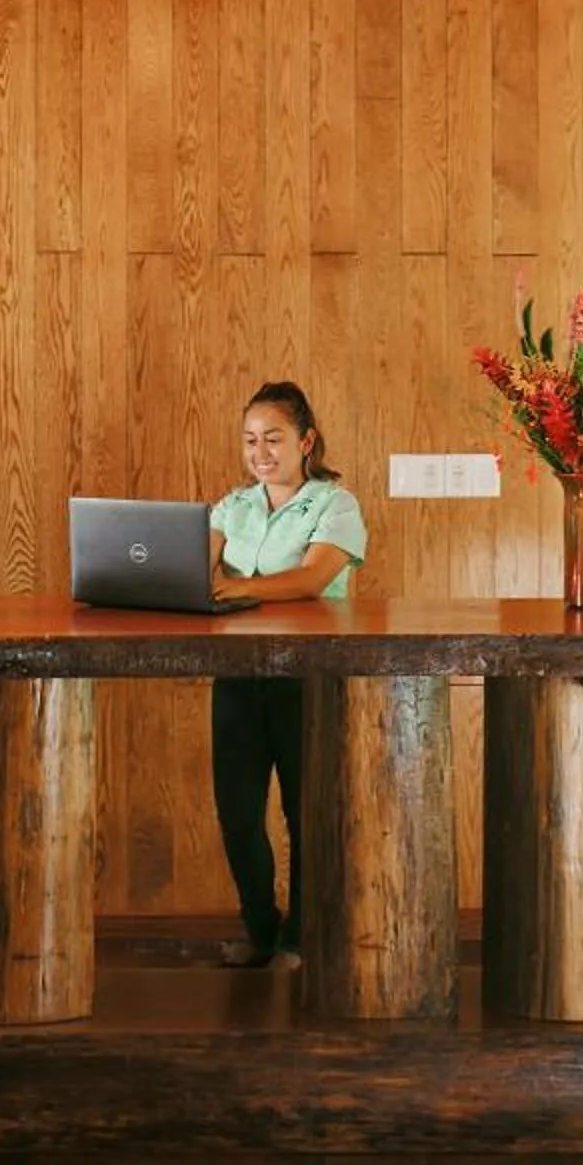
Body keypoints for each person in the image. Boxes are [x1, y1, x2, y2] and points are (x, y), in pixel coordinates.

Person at [207, 380, 368, 970]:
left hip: (308, 676)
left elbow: (311, 579)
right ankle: (261, 931)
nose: (261, 452)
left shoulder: (335, 505)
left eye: (273, 438)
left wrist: (235, 588)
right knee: (238, 814)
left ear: (306, 442)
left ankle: (300, 941)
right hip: (237, 672)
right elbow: (195, 571)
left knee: (307, 813)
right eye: (250, 440)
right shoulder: (232, 506)